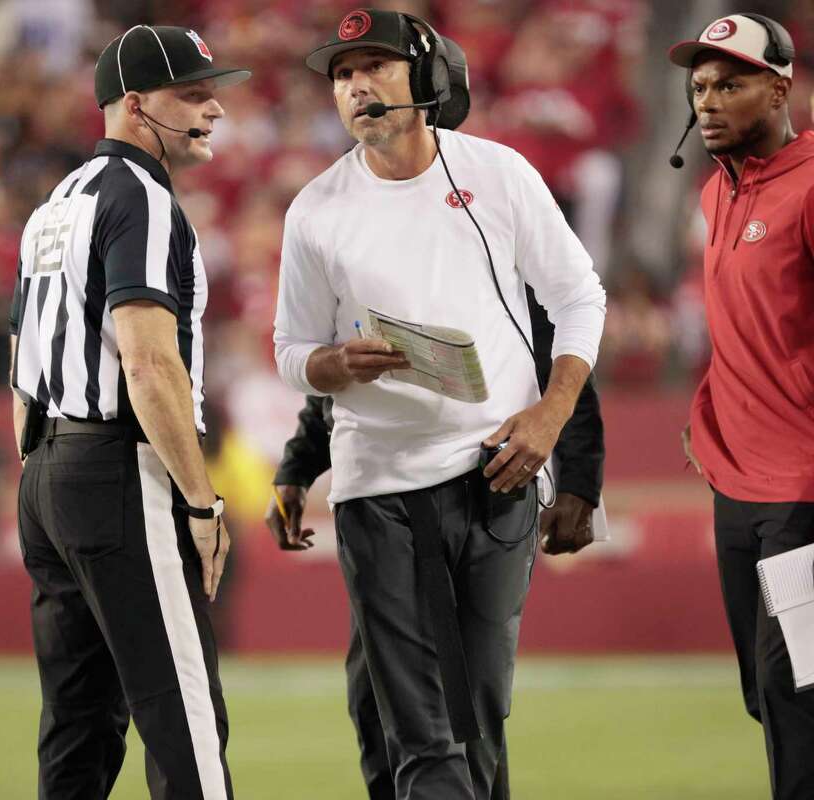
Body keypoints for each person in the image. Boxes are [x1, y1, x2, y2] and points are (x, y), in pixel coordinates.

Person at [273, 10, 606, 799]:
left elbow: (578, 298)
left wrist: (554, 420)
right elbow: (291, 353)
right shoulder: (314, 210)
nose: (355, 87)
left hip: (497, 474)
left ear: (427, 79)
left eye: (374, 67)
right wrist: (327, 363)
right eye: (343, 76)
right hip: (378, 488)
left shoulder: (500, 174)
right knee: (421, 732)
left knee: (478, 721)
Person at [8, 24, 249, 800]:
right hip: (117, 467)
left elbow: (23, 367)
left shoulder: (56, 202)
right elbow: (148, 362)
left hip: (46, 469)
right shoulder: (138, 197)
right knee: (184, 715)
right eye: (193, 95)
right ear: (137, 104)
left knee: (78, 723)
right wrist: (200, 499)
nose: (213, 111)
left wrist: (50, 476)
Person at [267, 291, 605, 800]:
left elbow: (559, 343)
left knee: (462, 704)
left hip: (479, 489)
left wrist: (579, 480)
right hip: (381, 497)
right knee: (379, 699)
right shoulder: (359, 242)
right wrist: (298, 466)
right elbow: (348, 379)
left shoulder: (479, 234)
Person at [669, 14, 814, 799]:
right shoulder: (715, 191)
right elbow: (748, 327)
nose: (709, 101)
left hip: (803, 491)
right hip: (737, 489)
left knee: (801, 695)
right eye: (699, 87)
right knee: (767, 696)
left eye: (731, 83)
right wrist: (711, 403)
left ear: (781, 87)